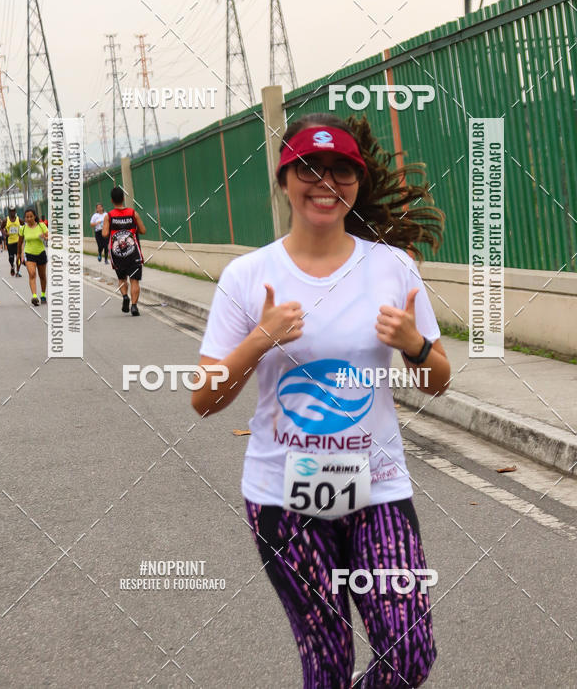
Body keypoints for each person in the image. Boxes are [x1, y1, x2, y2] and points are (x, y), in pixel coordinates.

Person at [193, 113, 451, 688]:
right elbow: (204, 399)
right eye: (310, 167)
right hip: (285, 497)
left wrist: (414, 344)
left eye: (341, 170)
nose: (325, 182)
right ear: (284, 178)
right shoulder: (247, 276)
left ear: (357, 182)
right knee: (328, 662)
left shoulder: (392, 266)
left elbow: (438, 380)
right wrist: (259, 340)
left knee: (409, 654)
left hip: (378, 488)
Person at [102, 186, 146, 316]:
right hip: (133, 254)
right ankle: (134, 306)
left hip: (117, 254)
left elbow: (104, 234)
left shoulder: (109, 216)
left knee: (122, 278)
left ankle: (125, 296)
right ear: (123, 198)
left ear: (112, 200)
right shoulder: (133, 213)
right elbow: (143, 230)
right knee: (134, 280)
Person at [17, 207, 48, 306]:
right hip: (29, 253)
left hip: (41, 253)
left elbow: (48, 237)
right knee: (32, 274)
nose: (29, 218)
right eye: (27, 217)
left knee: (42, 276)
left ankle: (43, 295)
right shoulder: (23, 228)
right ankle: (34, 296)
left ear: (35, 216)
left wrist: (44, 237)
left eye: (31, 216)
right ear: (25, 218)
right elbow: (20, 242)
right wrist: (19, 254)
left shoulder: (41, 225)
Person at [5, 208, 22, 276]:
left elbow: (24, 225)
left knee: (19, 258)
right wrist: (5, 233)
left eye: (13, 211)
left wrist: (21, 232)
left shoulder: (18, 219)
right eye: (11, 211)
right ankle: (12, 266)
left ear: (15, 212)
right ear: (9, 212)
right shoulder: (6, 220)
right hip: (10, 242)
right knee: (11, 258)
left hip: (18, 242)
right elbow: (1, 228)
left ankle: (18, 271)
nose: (12, 212)